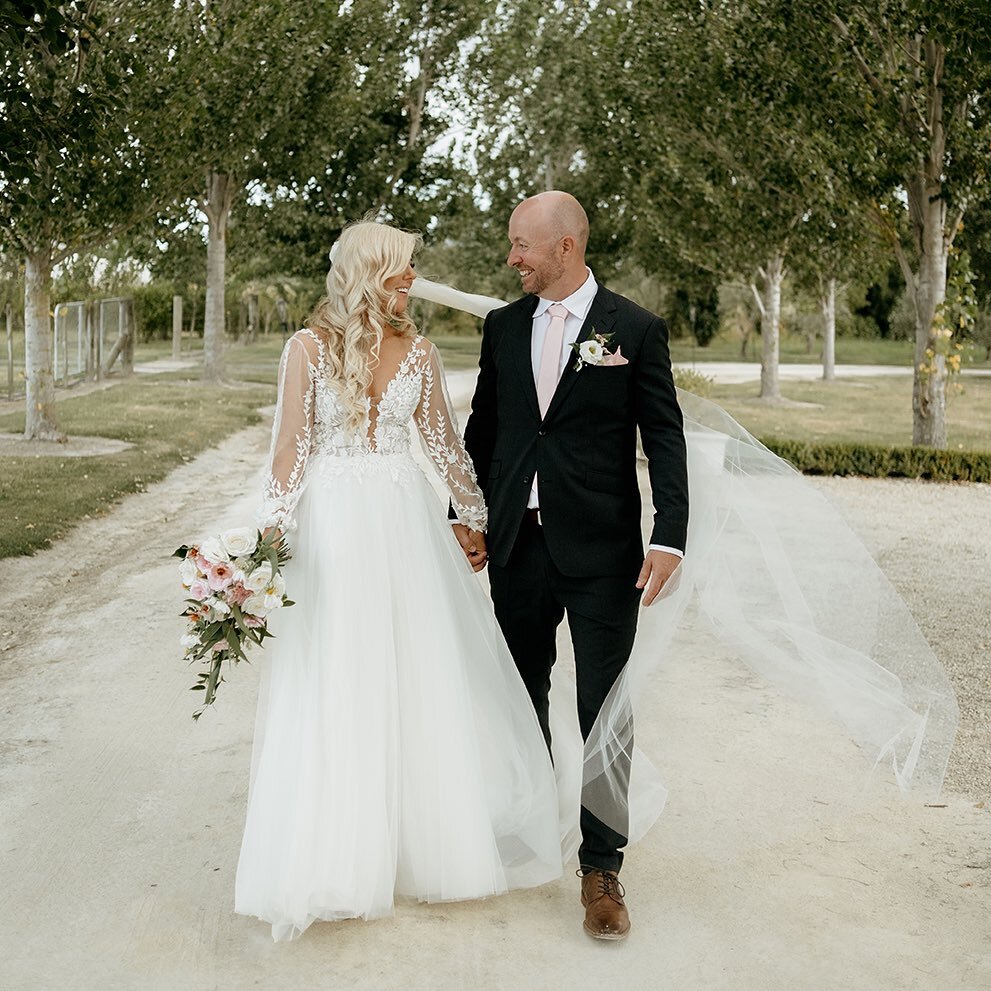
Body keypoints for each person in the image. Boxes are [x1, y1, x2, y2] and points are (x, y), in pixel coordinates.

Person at [234, 221, 563, 942]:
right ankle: (336, 854)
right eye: (404, 267)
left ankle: (416, 841)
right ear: (372, 272)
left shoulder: (419, 350)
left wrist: (472, 514)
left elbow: (444, 441)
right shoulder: (305, 348)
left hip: (402, 525)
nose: (413, 278)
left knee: (412, 673)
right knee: (336, 674)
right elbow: (289, 449)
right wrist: (269, 540)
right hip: (334, 530)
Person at [452, 191, 690, 940]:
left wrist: (670, 535)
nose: (512, 257)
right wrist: (465, 512)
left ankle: (600, 865)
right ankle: (528, 832)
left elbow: (665, 436)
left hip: (602, 552)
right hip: (517, 545)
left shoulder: (635, 329)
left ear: (565, 246)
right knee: (517, 694)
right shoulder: (502, 326)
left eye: (522, 244)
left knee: (603, 710)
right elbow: (483, 427)